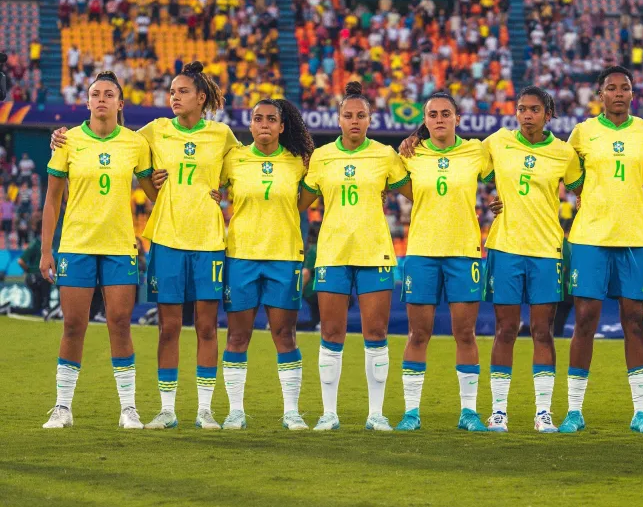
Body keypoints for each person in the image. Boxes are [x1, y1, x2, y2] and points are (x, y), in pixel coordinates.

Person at [55, 61, 241, 429]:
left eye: (182, 92)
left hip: (208, 239)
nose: (173, 97)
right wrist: (60, 138)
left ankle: (205, 410)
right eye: (171, 91)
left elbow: (245, 167)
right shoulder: (151, 133)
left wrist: (227, 192)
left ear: (201, 97)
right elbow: (111, 139)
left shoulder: (222, 135)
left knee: (206, 327)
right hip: (166, 239)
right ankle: (167, 409)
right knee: (168, 328)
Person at [40, 71, 157, 429]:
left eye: (109, 94)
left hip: (120, 246)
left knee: (120, 323)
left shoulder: (135, 144)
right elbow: (52, 199)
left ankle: (129, 409)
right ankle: (62, 408)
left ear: (120, 103)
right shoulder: (68, 141)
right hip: (76, 245)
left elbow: (154, 194)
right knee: (74, 325)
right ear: (87, 102)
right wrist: (47, 250)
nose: (102, 99)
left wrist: (165, 182)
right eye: (96, 93)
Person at [559, 66, 643, 435]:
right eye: (611, 88)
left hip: (635, 237)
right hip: (590, 237)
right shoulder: (582, 132)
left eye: (625, 88)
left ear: (633, 94)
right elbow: (571, 177)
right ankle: (574, 410)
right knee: (585, 318)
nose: (618, 93)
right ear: (600, 94)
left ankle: (641, 412)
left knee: (634, 322)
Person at [300, 82, 411, 431]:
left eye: (361, 115)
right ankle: (328, 413)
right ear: (338, 119)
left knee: (375, 332)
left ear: (370, 119)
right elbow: (299, 203)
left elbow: (417, 193)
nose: (354, 121)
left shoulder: (385, 155)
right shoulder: (321, 157)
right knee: (331, 332)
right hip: (332, 252)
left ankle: (375, 414)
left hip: (374, 250)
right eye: (348, 115)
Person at [479, 87, 583, 432]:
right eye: (522, 109)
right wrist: (416, 137)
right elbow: (461, 159)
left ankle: (543, 412)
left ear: (547, 114)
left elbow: (587, 187)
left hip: (545, 250)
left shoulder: (563, 152)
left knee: (542, 331)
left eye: (534, 110)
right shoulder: (497, 142)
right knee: (505, 329)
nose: (526, 115)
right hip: (506, 247)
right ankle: (498, 411)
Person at [395, 92, 493, 432]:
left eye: (446, 113)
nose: (439, 119)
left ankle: (468, 412)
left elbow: (511, 170)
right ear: (424, 120)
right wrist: (411, 139)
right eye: (433, 114)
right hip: (421, 251)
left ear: (457, 119)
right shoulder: (409, 155)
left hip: (464, 252)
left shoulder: (477, 151)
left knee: (464, 333)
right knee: (418, 333)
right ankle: (411, 412)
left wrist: (502, 201)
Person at [217, 98, 316, 430]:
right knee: (237, 336)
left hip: (284, 256)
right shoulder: (233, 160)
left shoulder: (299, 162)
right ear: (250, 125)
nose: (264, 124)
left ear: (281, 126)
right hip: (241, 256)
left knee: (284, 334)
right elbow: (206, 184)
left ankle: (291, 412)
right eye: (258, 118)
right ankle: (235, 411)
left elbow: (308, 199)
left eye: (271, 119)